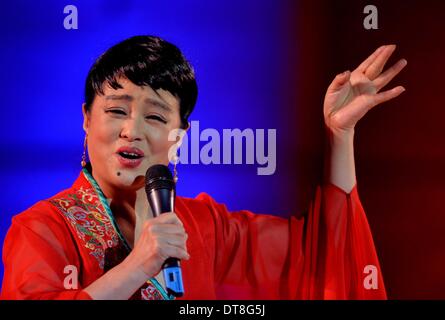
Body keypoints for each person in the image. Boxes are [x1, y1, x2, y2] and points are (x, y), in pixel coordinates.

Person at [0, 35, 406, 300]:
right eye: (116, 111)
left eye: (156, 118)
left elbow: (322, 257)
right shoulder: (42, 229)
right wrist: (139, 264)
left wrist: (339, 134)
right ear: (87, 119)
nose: (132, 131)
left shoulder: (205, 226)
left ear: (179, 136)